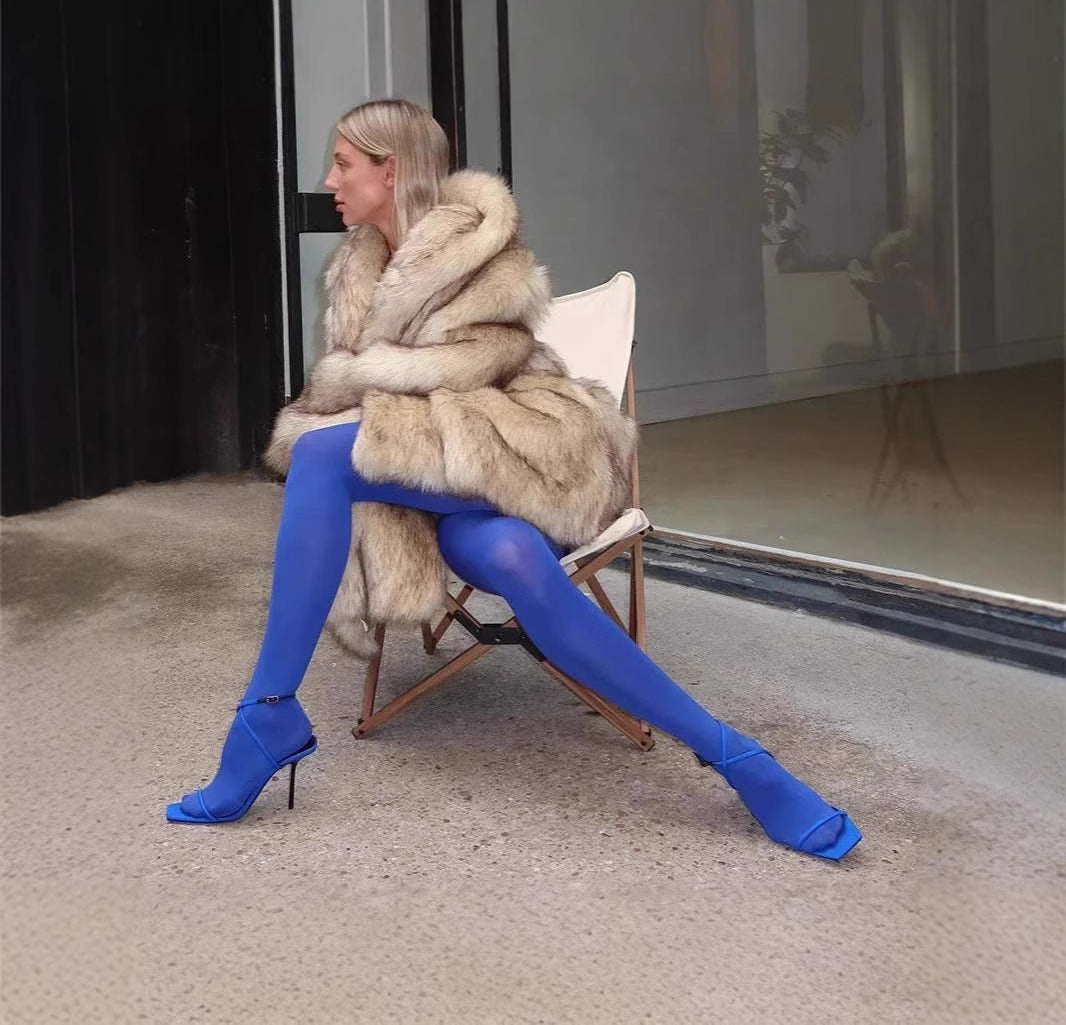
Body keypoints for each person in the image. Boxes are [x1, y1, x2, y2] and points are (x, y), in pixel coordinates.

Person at [166, 99, 861, 861]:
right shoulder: (358, 271)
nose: (329, 180)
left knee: (325, 458)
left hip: (520, 445)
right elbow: (367, 404)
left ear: (390, 171)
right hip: (438, 477)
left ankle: (267, 712)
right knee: (506, 555)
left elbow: (468, 375)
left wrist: (363, 403)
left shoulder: (476, 250)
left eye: (344, 164)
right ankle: (737, 757)